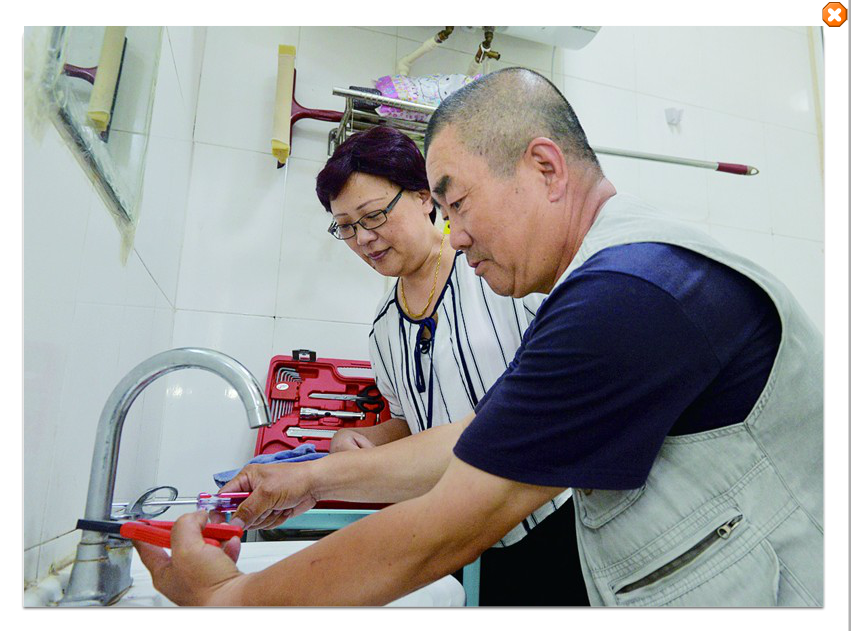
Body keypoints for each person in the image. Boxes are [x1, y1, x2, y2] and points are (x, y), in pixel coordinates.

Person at [134, 68, 823, 607]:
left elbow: (451, 516)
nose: (456, 235)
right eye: (346, 228)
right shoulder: (615, 274)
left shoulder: (623, 294)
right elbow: (478, 445)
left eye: (457, 203)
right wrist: (315, 476)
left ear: (545, 168)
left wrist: (232, 599)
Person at [314, 125, 581, 606]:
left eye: (374, 216)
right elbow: (410, 420)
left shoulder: (496, 273)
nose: (364, 238)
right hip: (460, 536)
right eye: (346, 226)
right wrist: (363, 443)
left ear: (424, 198)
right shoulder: (383, 328)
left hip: (557, 519)